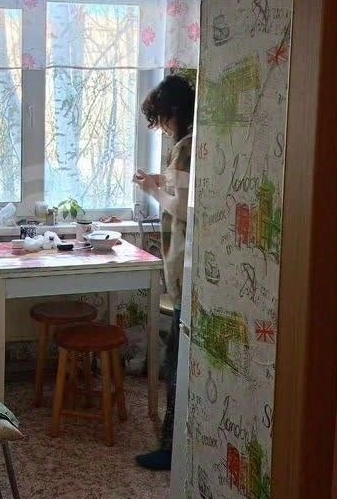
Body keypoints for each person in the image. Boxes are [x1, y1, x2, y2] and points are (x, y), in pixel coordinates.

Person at [132, 73, 194, 471]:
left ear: (173, 112)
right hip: (183, 270)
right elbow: (181, 191)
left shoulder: (187, 146)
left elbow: (183, 207)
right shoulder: (189, 145)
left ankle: (172, 450)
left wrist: (151, 190)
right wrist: (158, 182)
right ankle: (174, 446)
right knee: (177, 358)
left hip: (186, 269)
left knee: (176, 363)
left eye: (161, 120)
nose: (162, 129)